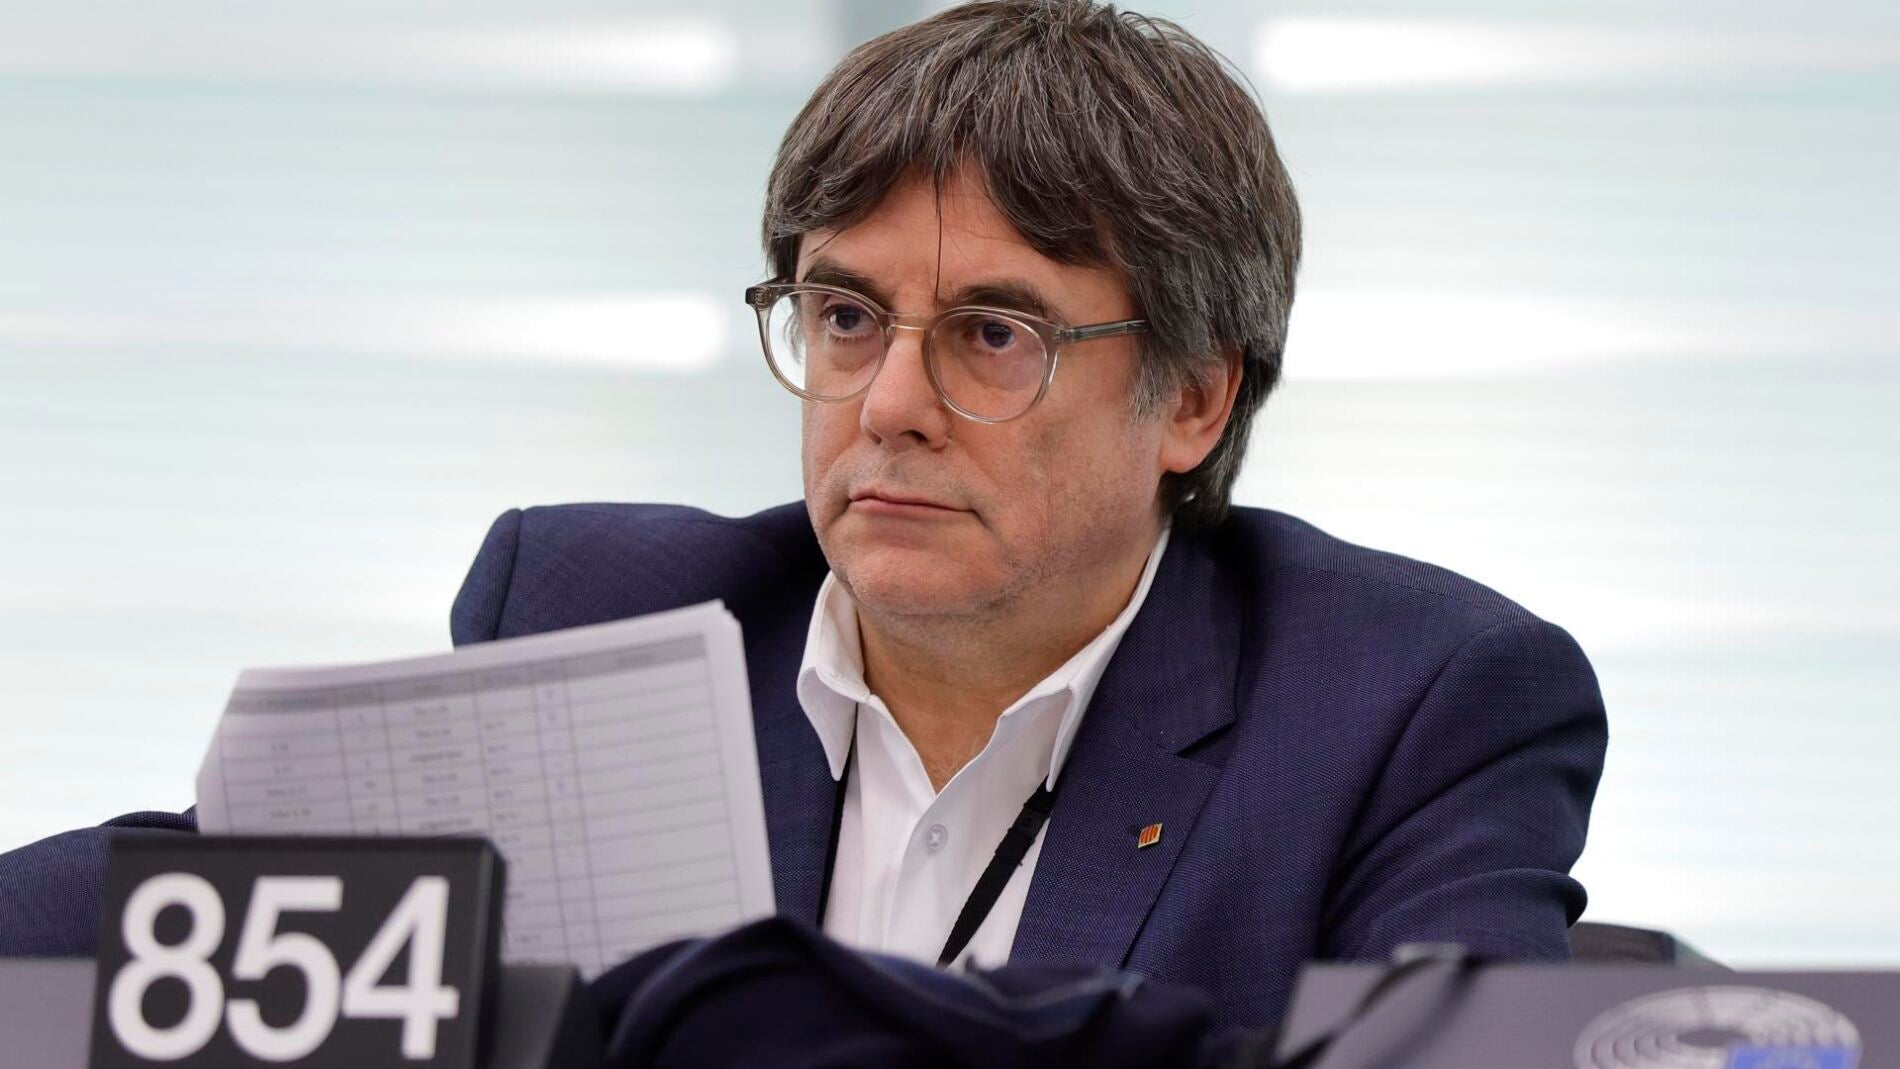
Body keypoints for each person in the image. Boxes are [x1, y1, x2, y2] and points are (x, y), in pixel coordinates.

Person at [0, 0, 1606, 1034]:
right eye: (845, 316)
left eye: (993, 333)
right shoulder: (598, 606)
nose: (888, 401)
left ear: (1193, 396)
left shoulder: (1411, 698)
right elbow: (208, 921)